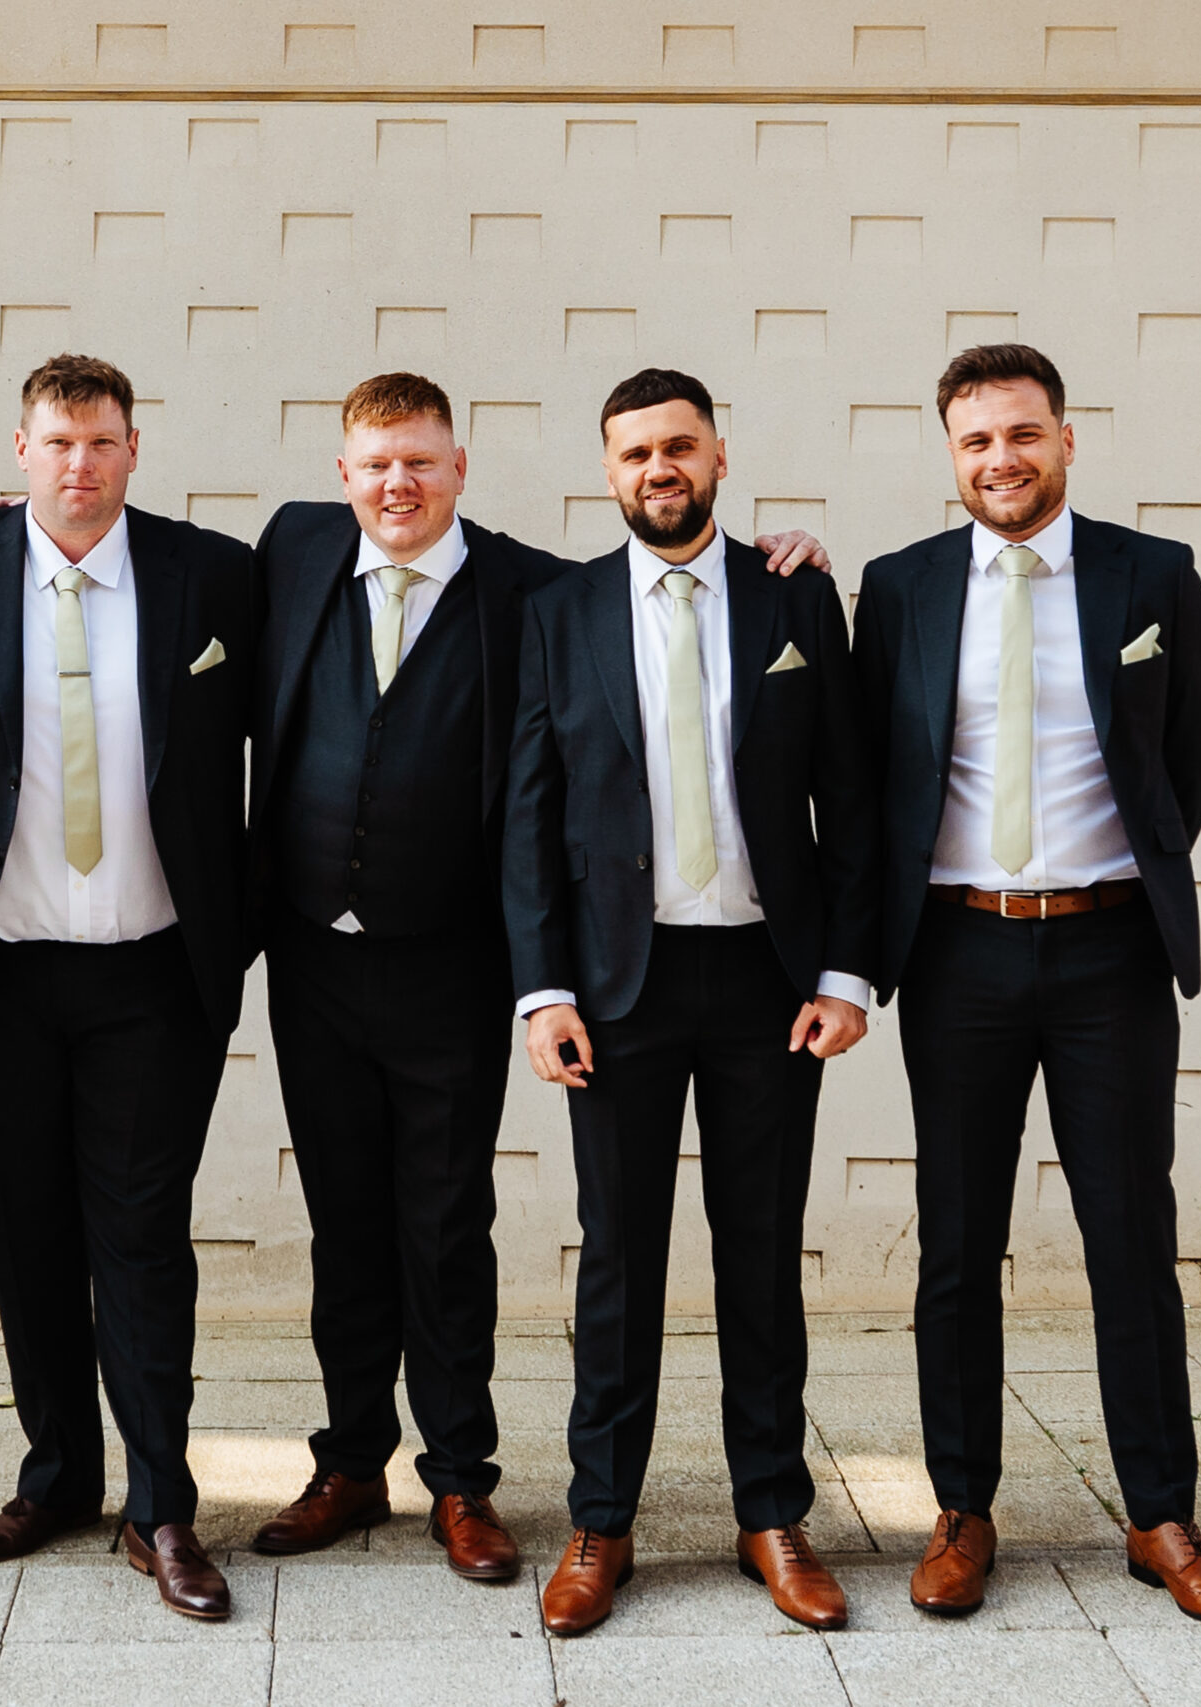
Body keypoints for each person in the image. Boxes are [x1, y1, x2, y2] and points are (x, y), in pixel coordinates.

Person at [244, 373, 835, 1582]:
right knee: (358, 1226)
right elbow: (143, 565)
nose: (397, 484)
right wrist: (21, 520)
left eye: (421, 462)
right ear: (343, 474)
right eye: (373, 464)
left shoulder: (548, 590)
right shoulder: (302, 549)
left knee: (464, 1226)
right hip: (342, 962)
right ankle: (367, 1463)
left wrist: (538, 975)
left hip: (515, 969)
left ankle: (481, 1481)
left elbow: (839, 798)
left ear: (462, 466)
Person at [847, 343, 1201, 1624]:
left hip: (1107, 952)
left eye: (1021, 435)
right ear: (950, 454)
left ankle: (1160, 1518)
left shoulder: (1152, 576)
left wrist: (1113, 886)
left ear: (1066, 440)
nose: (1000, 460)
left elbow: (1188, 761)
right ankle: (962, 1510)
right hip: (958, 950)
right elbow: (867, 778)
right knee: (958, 1248)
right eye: (974, 441)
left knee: (1129, 1239)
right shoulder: (900, 588)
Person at [0, 354, 254, 1621]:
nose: (78, 464)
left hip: (154, 977)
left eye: (100, 442)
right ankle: (57, 1473)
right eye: (56, 443)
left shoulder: (214, 573)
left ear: (134, 449)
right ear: (19, 451)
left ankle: (161, 1507)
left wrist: (749, 560)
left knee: (140, 1241)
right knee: (27, 1239)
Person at [505, 368, 868, 1636]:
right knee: (618, 1264)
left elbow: (852, 797)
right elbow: (530, 817)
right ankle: (601, 1521)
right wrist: (542, 991)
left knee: (761, 1257)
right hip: (617, 988)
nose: (656, 469)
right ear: (606, 474)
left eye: (677, 447)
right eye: (632, 454)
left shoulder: (797, 595)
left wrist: (843, 972)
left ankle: (771, 1513)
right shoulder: (557, 611)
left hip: (770, 982)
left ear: (717, 455)